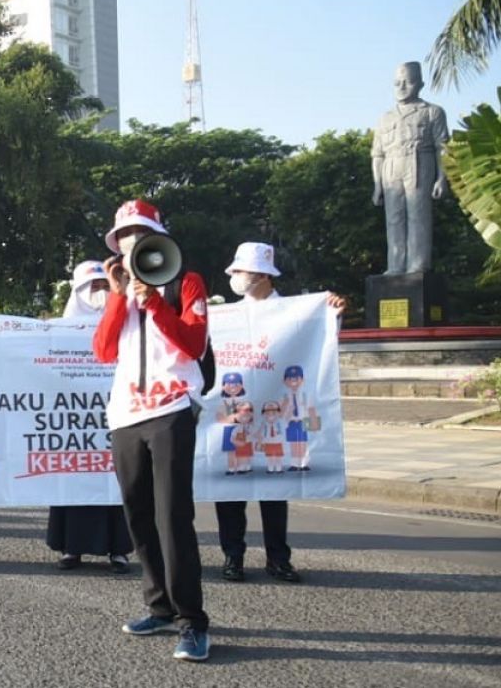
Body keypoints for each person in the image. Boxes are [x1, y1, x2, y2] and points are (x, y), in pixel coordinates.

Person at [93, 200, 210, 662]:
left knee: (172, 517)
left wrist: (155, 301)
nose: (130, 242)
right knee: (138, 515)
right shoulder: (118, 290)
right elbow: (103, 350)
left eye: (139, 232)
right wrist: (120, 294)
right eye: (123, 236)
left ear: (158, 235)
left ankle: (192, 622)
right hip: (125, 414)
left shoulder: (187, 280)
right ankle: (158, 606)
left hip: (172, 408)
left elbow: (194, 342)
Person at [215, 242, 346, 585]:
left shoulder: (295, 313)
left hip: (276, 416)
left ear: (261, 274)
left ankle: (278, 558)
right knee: (231, 492)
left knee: (274, 488)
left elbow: (321, 342)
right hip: (240, 419)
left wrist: (332, 312)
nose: (233, 276)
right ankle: (233, 556)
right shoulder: (226, 316)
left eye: (239, 271)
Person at [46, 260, 132, 572]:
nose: (97, 291)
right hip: (75, 419)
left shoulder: (125, 322)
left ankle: (118, 549)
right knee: (73, 478)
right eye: (91, 286)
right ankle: (72, 548)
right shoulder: (58, 328)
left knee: (116, 480)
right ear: (78, 290)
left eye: (101, 285)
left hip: (115, 413)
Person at [371, 61, 450, 275]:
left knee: (418, 215)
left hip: (419, 162)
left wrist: (441, 178)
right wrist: (377, 185)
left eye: (408, 82)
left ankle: (418, 265)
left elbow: (442, 148)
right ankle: (395, 266)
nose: (402, 86)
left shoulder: (432, 112)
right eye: (397, 82)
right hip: (391, 167)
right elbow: (377, 154)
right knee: (394, 218)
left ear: (420, 84)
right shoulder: (384, 118)